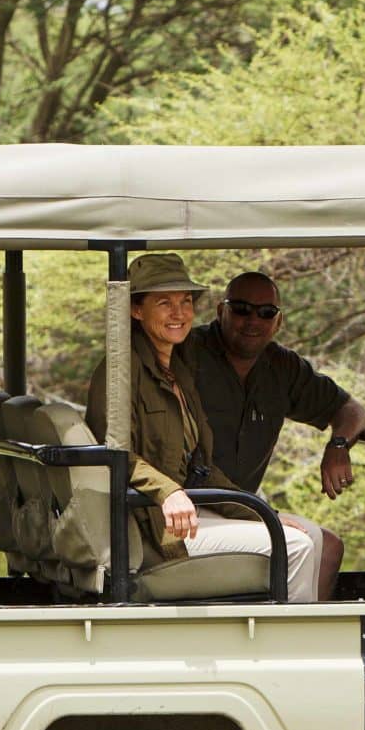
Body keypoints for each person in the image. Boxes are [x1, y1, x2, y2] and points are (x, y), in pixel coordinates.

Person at [87, 254, 318, 603]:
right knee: (297, 546)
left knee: (309, 532)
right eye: (164, 303)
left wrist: (260, 513)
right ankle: (292, 637)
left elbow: (202, 465)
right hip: (152, 525)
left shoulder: (178, 369)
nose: (179, 313)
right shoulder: (122, 371)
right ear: (136, 310)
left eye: (185, 301)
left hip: (186, 510)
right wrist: (167, 491)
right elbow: (115, 454)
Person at [182, 271, 365, 600]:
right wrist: (260, 514)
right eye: (241, 309)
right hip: (188, 504)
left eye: (266, 313)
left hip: (241, 507)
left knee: (328, 547)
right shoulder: (187, 354)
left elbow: (352, 410)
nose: (253, 320)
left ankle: (303, 631)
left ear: (278, 321)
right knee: (298, 542)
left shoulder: (282, 367)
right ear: (220, 311)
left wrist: (338, 445)